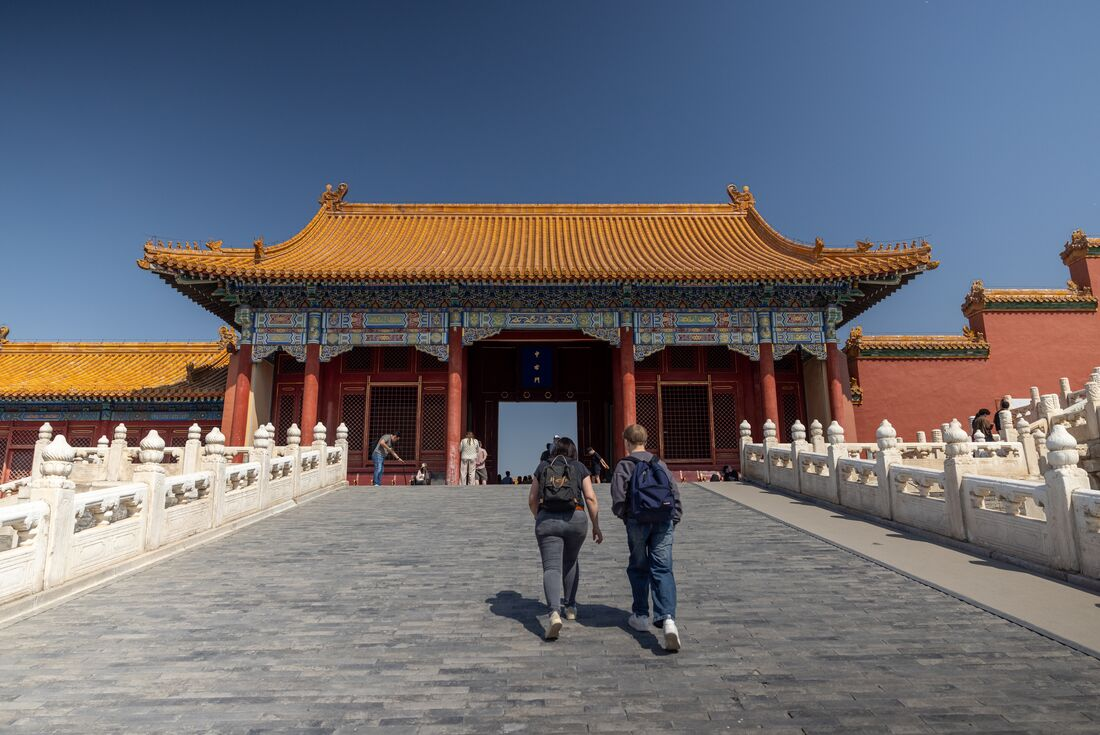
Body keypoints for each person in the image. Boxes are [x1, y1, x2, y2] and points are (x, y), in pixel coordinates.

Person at [610, 423, 682, 651]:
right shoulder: (659, 463)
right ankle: (668, 619)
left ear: (626, 442)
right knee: (663, 568)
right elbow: (674, 493)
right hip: (663, 520)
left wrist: (627, 517)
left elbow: (618, 497)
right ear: (645, 440)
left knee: (639, 567)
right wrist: (674, 518)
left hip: (637, 522)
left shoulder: (625, 465)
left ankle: (641, 615)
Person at [528, 436, 603, 640]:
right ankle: (570, 607)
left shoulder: (543, 466)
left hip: (547, 518)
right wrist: (596, 525)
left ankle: (554, 613)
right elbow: (590, 497)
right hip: (576, 518)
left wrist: (539, 516)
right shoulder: (579, 467)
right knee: (571, 561)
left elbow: (532, 499)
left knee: (551, 567)